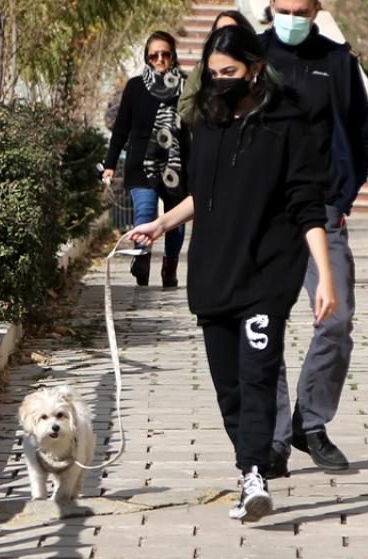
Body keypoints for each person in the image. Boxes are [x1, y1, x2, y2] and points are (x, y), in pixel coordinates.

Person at [128, 25, 338, 523]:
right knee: (229, 389)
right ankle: (250, 465)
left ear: (255, 69)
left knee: (259, 374)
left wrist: (324, 278)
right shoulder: (208, 122)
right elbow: (205, 195)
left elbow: (307, 207)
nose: (220, 82)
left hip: (268, 273)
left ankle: (254, 476)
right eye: (213, 74)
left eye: (230, 73)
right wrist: (160, 223)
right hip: (213, 272)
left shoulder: (288, 122)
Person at [261, 0, 368, 475]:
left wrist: (342, 197)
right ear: (271, 5)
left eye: (301, 8)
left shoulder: (337, 61)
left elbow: (361, 135)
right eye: (284, 7)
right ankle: (272, 439)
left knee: (336, 319)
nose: (292, 15)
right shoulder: (254, 57)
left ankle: (311, 422)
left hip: (323, 209)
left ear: (316, 9)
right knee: (265, 325)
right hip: (265, 214)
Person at [102, 31, 188, 288]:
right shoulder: (135, 86)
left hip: (176, 164)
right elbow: (121, 128)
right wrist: (109, 164)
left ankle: (169, 268)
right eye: (154, 54)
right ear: (147, 58)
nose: (160, 59)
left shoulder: (185, 86)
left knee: (176, 221)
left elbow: (194, 127)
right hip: (141, 163)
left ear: (172, 56)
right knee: (145, 212)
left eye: (165, 54)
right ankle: (141, 259)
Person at [179, 10, 255, 127]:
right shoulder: (202, 68)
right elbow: (185, 109)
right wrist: (211, 108)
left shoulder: (258, 66)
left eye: (230, 72)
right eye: (214, 74)